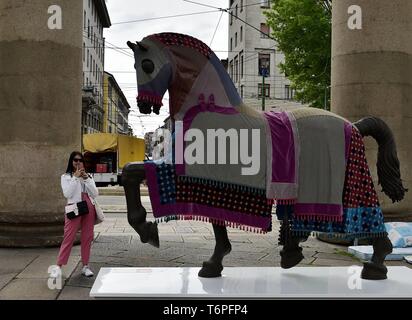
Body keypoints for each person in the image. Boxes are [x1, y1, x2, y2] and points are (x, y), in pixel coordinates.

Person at [54, 151, 98, 277]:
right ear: (71, 162)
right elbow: (67, 194)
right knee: (69, 236)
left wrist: (86, 179)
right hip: (74, 207)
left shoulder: (88, 176)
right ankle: (58, 266)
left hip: (88, 206)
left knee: (87, 237)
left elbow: (95, 193)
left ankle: (85, 265)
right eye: (75, 160)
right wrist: (75, 178)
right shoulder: (65, 177)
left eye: (80, 160)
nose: (78, 162)